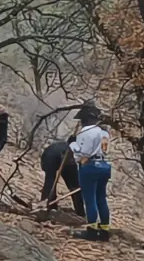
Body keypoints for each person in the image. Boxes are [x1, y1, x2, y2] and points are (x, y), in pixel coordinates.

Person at [69, 103, 112, 241]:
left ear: (86, 119)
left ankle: (92, 231)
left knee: (90, 199)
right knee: (101, 198)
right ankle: (104, 230)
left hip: (89, 166)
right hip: (104, 166)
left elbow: (82, 154)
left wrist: (73, 144)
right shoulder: (104, 132)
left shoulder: (85, 132)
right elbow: (105, 149)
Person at [39, 138, 83, 216]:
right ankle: (48, 205)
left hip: (65, 160)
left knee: (75, 186)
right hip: (50, 158)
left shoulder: (78, 150)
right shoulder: (53, 153)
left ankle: (80, 211)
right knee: (50, 182)